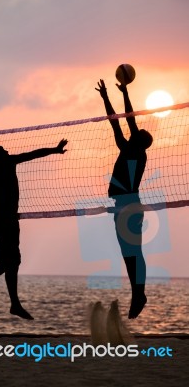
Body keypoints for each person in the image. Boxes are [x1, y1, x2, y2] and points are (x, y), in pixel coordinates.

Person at [0, 139, 68, 321]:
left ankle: (14, 304)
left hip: (7, 223)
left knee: (12, 262)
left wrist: (55, 150)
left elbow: (33, 154)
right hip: (1, 224)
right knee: (7, 262)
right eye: (3, 151)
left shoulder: (1, 168)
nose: (7, 151)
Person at [95, 79, 153, 319]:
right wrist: (106, 97)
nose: (134, 132)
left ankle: (139, 294)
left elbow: (128, 118)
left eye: (138, 133)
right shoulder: (127, 148)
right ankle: (137, 293)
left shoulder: (136, 152)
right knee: (129, 254)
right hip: (122, 207)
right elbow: (116, 122)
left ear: (141, 141)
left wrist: (124, 93)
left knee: (135, 253)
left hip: (129, 207)